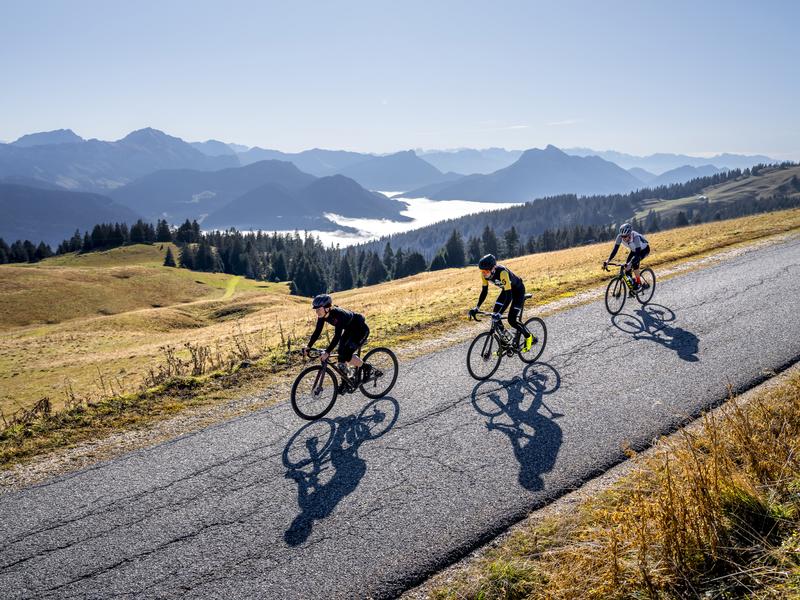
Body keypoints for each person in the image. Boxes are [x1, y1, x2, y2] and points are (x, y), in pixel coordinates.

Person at [468, 254, 535, 352]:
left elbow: (509, 297)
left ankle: (529, 337)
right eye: (482, 271)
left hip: (517, 291)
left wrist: (500, 313)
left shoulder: (502, 273)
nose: (484, 274)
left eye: (486, 271)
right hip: (506, 290)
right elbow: (484, 291)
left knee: (511, 320)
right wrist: (477, 307)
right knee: (495, 317)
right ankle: (504, 343)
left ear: (493, 268)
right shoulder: (484, 275)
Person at [304, 294, 372, 381]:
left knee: (346, 355)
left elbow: (337, 336)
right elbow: (317, 331)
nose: (317, 311)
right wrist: (308, 346)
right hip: (349, 330)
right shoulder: (322, 315)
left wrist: (327, 352)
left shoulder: (338, 315)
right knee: (340, 356)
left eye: (318, 309)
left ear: (327, 308)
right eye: (315, 309)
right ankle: (346, 381)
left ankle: (367, 367)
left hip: (360, 330)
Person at [604, 223, 651, 292]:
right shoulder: (619, 237)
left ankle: (638, 283)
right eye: (622, 236)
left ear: (629, 234)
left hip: (643, 250)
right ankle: (633, 286)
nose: (624, 238)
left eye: (625, 236)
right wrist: (608, 260)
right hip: (634, 250)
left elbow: (637, 254)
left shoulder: (636, 237)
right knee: (627, 269)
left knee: (634, 264)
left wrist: (630, 263)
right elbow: (615, 250)